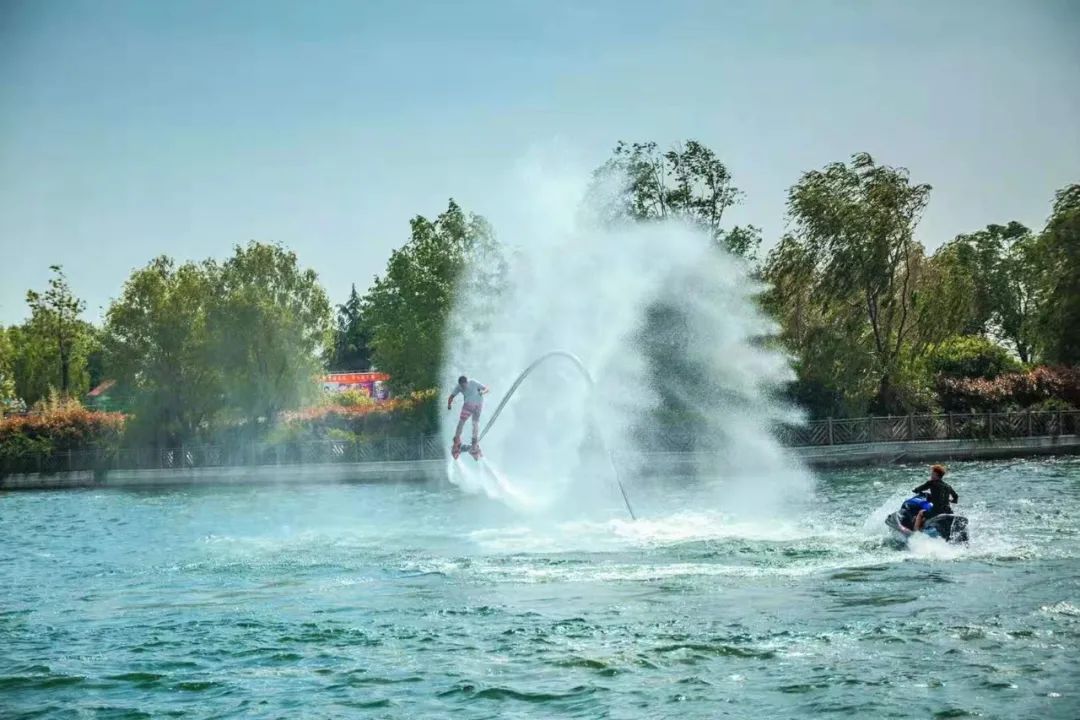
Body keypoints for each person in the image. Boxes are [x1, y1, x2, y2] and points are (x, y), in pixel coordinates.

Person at [447, 375, 489, 451]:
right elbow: (451, 396)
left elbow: (486, 388)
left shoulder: (472, 382)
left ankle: (474, 442)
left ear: (467, 382)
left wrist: (482, 392)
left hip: (478, 405)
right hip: (469, 405)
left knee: (475, 423)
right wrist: (449, 405)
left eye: (464, 385)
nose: (463, 387)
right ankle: (457, 441)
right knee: (461, 422)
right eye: (461, 386)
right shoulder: (458, 387)